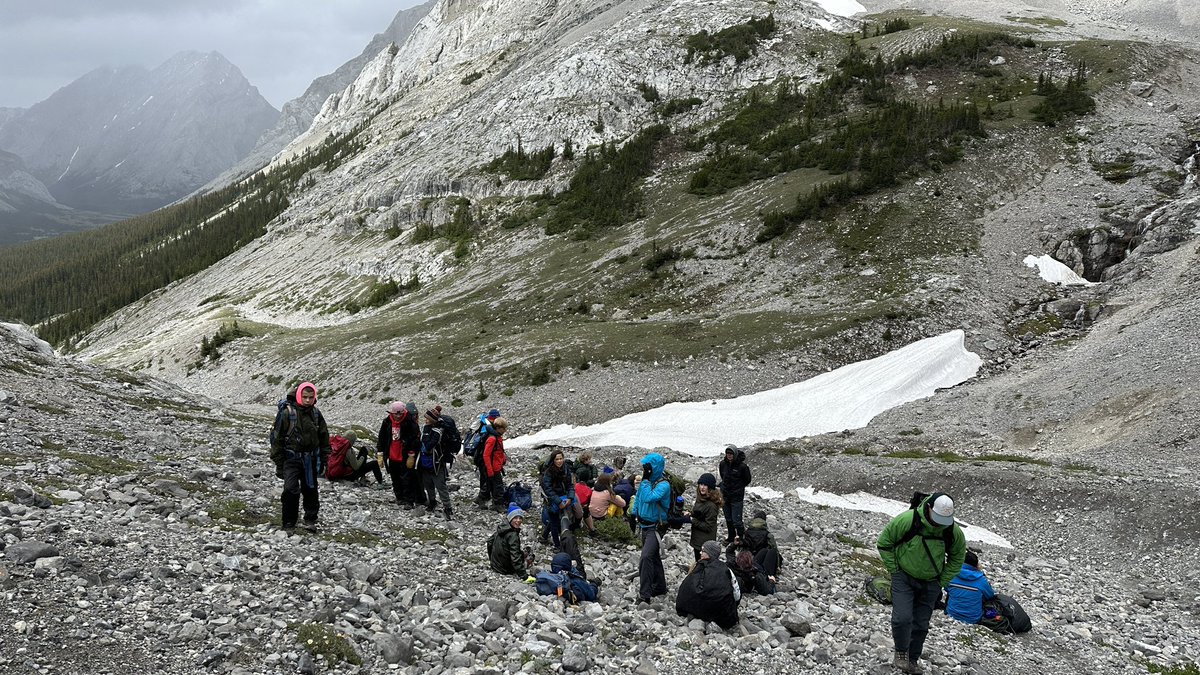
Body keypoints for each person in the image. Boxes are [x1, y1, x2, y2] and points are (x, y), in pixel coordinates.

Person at [877, 493, 967, 675]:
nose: (940, 524)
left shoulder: (952, 531)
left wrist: (942, 581)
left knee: (921, 624)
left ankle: (912, 660)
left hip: (931, 583)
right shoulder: (907, 520)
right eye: (938, 518)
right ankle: (901, 652)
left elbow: (958, 557)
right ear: (928, 508)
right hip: (903, 577)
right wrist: (895, 570)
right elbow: (884, 543)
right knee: (902, 618)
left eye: (944, 520)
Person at [269, 382, 331, 532]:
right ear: (298, 396)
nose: (308, 400)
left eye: (311, 397)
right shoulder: (287, 413)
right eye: (305, 397)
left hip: (310, 459)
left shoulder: (316, 414)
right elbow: (277, 439)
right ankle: (289, 523)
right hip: (291, 458)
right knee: (290, 489)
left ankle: (310, 519)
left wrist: (324, 459)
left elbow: (324, 437)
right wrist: (279, 463)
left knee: (311, 488)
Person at [631, 452, 673, 603]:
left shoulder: (664, 485)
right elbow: (640, 497)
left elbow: (649, 498)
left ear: (653, 468)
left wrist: (646, 480)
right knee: (653, 557)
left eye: (647, 467)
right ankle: (660, 586)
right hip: (644, 524)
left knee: (646, 557)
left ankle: (645, 595)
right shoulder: (646, 481)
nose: (644, 469)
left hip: (655, 527)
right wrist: (633, 513)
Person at [675, 540, 741, 630]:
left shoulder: (697, 566)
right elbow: (736, 594)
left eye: (703, 551)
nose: (700, 552)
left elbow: (686, 587)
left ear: (710, 553)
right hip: (718, 613)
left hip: (694, 608)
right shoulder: (726, 569)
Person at [376, 401, 420, 509]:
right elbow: (382, 438)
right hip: (392, 455)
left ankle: (409, 500)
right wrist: (380, 453)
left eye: (400, 414)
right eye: (396, 414)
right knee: (395, 477)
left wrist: (411, 454)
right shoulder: (387, 422)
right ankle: (399, 497)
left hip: (405, 455)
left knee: (407, 478)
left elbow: (415, 439)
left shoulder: (410, 422)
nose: (398, 416)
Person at [419, 406, 459, 520]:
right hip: (426, 462)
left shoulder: (438, 431)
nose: (425, 420)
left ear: (432, 420)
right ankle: (432, 502)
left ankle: (448, 507)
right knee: (428, 484)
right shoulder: (427, 428)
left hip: (436, 462)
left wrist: (426, 432)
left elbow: (427, 446)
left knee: (440, 486)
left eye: (427, 418)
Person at [540, 449, 584, 548]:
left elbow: (570, 485)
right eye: (557, 459)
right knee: (554, 522)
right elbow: (548, 490)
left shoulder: (566, 469)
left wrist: (570, 497)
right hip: (553, 499)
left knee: (576, 513)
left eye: (561, 459)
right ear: (553, 460)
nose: (559, 461)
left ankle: (544, 536)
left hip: (565, 496)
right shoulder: (548, 473)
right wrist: (559, 501)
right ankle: (557, 545)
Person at [945, 551, 996, 624]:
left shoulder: (952, 574)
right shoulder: (981, 580)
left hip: (952, 614)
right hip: (973, 618)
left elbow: (946, 588)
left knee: (952, 591)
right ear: (976, 565)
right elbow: (990, 595)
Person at [487, 506, 534, 581]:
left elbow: (489, 542)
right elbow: (515, 557)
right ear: (510, 518)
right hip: (505, 569)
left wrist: (493, 561)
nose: (518, 521)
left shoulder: (501, 528)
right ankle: (526, 562)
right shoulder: (513, 535)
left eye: (520, 518)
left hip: (495, 566)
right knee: (521, 554)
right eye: (515, 518)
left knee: (520, 552)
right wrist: (524, 576)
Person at [717, 445, 752, 543]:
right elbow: (722, 476)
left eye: (731, 453)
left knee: (737, 520)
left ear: (735, 454)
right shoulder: (723, 464)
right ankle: (731, 537)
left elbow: (747, 479)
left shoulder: (742, 467)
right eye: (728, 453)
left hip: (737, 497)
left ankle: (741, 538)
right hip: (725, 496)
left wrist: (738, 488)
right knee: (728, 519)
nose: (729, 455)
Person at [686, 473, 722, 561]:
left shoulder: (712, 505)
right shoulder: (701, 498)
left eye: (705, 485)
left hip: (705, 542)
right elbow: (700, 513)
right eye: (701, 484)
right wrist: (691, 514)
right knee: (698, 562)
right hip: (697, 538)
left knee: (703, 565)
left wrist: (692, 520)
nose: (702, 487)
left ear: (710, 487)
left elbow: (708, 526)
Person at [471, 409, 501, 506]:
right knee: (486, 479)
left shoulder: (486, 425)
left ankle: (485, 497)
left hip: (482, 458)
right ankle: (482, 498)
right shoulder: (488, 429)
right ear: (494, 417)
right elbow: (487, 452)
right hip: (484, 459)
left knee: (485, 479)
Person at [480, 416, 509, 512]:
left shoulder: (497, 437)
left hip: (496, 466)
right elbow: (486, 455)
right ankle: (498, 505)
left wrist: (503, 459)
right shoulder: (492, 439)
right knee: (498, 486)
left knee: (489, 485)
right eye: (504, 428)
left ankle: (480, 501)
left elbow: (499, 451)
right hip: (493, 467)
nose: (505, 430)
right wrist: (490, 470)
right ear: (498, 428)